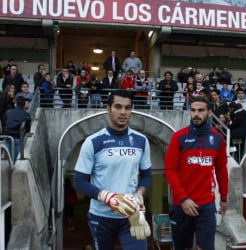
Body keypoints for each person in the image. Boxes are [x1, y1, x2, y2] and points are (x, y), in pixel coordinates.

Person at [73, 90, 152, 249]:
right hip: (101, 216)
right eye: (118, 107)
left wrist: (139, 194)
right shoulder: (93, 142)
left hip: (132, 214)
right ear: (108, 109)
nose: (123, 112)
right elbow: (79, 182)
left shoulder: (141, 140)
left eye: (127, 108)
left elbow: (147, 176)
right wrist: (106, 196)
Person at [164, 96, 228, 250]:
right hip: (181, 205)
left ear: (209, 112)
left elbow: (221, 169)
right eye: (193, 110)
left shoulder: (218, 138)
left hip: (206, 205)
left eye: (200, 110)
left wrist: (224, 198)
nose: (196, 114)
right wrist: (184, 199)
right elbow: (170, 170)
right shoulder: (179, 137)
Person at [2, 96, 31, 162]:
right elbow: (28, 129)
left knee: (8, 160)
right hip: (18, 137)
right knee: (17, 160)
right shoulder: (26, 115)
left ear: (16, 104)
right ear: (24, 105)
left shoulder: (8, 112)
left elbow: (4, 123)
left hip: (7, 137)